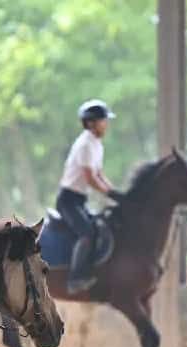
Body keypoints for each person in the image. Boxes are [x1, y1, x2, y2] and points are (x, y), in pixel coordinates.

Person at [57, 99, 123, 294]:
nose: (106, 124)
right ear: (92, 123)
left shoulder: (96, 144)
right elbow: (90, 178)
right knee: (87, 233)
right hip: (68, 200)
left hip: (80, 200)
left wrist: (116, 194)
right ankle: (75, 279)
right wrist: (109, 193)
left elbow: (100, 174)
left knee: (98, 228)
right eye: (103, 120)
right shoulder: (85, 144)